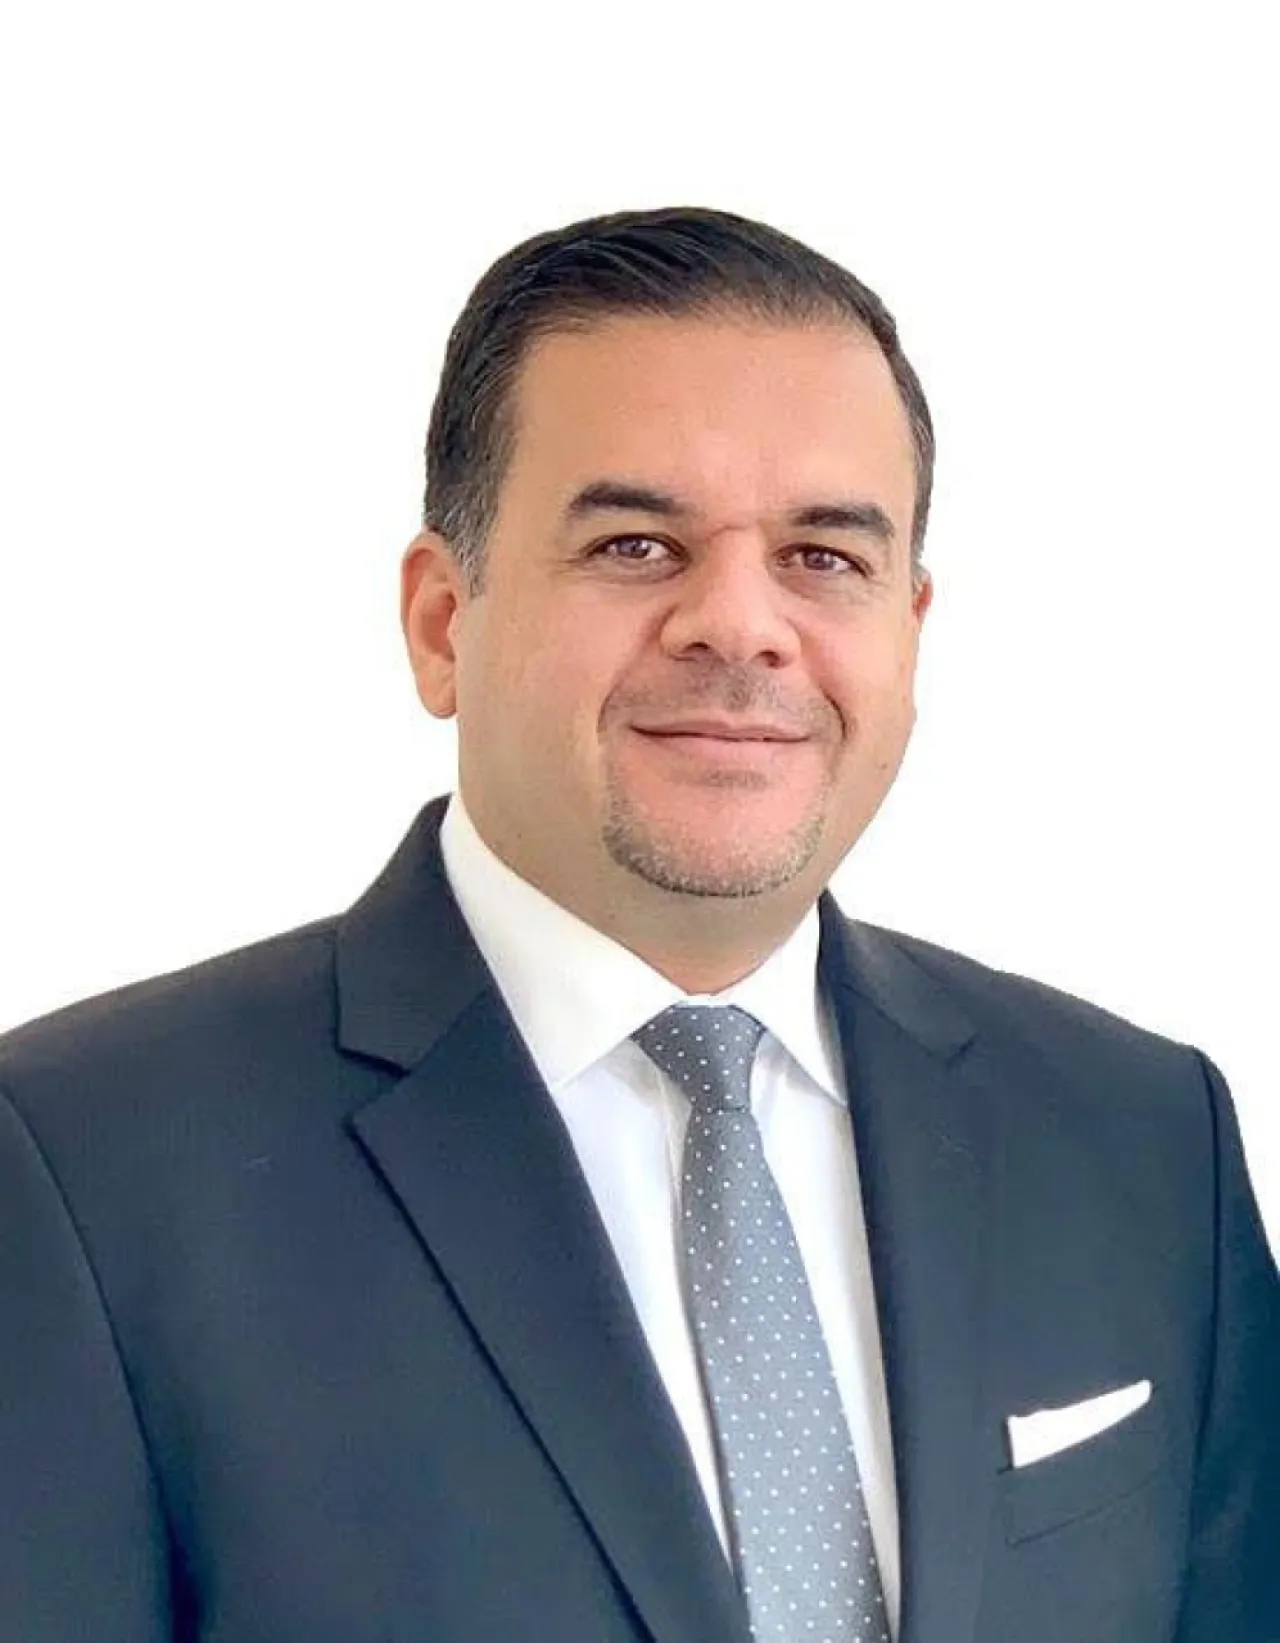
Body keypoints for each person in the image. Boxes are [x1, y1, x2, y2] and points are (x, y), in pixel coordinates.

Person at [1, 206, 1276, 1643]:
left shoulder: (1145, 1140)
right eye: (634, 544)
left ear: (911, 628)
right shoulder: (78, 1170)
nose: (740, 624)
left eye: (824, 557)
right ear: (441, 621)